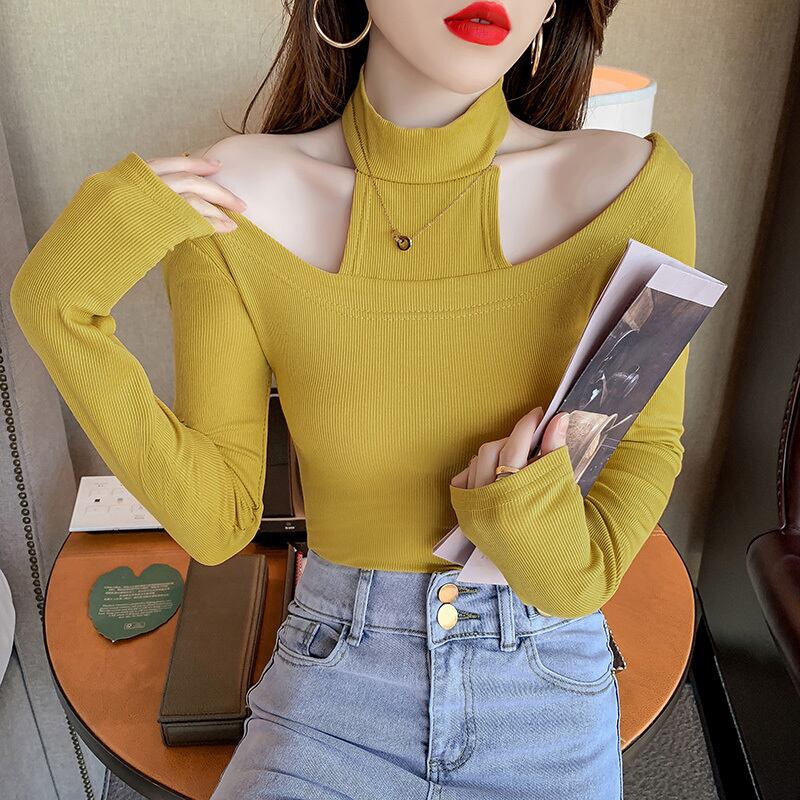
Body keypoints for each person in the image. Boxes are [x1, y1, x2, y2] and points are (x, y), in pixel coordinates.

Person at [10, 0, 695, 797]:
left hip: (544, 684)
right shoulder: (236, 197)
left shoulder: (635, 191)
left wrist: (546, 550)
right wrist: (58, 307)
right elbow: (217, 520)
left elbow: (645, 449)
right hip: (332, 687)